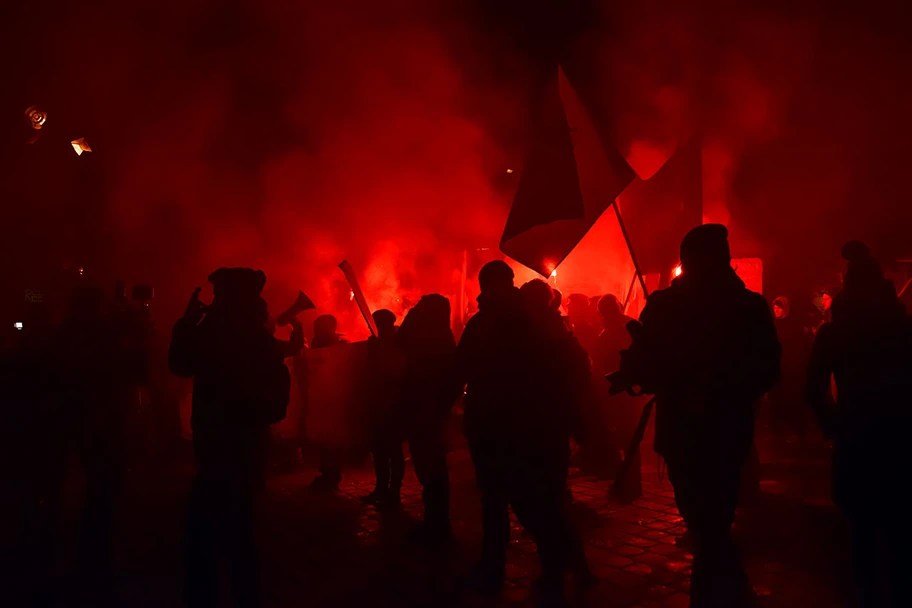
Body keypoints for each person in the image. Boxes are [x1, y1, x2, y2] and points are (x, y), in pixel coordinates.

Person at [616, 225, 780, 606]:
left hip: (713, 427)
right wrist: (639, 371)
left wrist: (716, 384)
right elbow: (646, 363)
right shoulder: (672, 306)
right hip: (703, 429)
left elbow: (767, 368)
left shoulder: (741, 307)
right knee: (706, 516)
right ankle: (728, 584)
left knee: (710, 517)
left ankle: (710, 592)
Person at [457, 262, 590, 601]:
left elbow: (460, 370)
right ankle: (521, 567)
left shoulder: (512, 322)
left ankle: (551, 569)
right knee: (512, 502)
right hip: (511, 425)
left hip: (516, 426)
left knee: (529, 503)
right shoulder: (520, 320)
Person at [169, 268, 291, 608]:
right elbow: (277, 395)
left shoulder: (214, 333)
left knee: (208, 524)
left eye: (219, 294)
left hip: (218, 438)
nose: (215, 300)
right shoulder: (256, 336)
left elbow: (179, 364)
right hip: (246, 440)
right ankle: (242, 590)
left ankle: (210, 591)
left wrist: (187, 322)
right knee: (240, 524)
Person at [806, 241, 912, 608]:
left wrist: (835, 427)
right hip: (901, 439)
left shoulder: (834, 333)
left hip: (857, 440)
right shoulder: (904, 328)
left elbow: (814, 389)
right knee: (901, 535)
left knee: (862, 535)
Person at [397, 295, 461, 544]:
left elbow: (401, 341)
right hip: (430, 412)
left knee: (430, 468)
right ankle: (436, 521)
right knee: (431, 468)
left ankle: (437, 524)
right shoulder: (443, 340)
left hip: (425, 412)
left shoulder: (431, 342)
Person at [591, 294, 637, 496]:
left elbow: (600, 363)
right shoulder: (633, 325)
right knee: (630, 435)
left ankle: (629, 484)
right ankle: (630, 482)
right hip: (634, 388)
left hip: (619, 390)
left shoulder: (608, 334)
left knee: (626, 436)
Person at [362, 309, 406, 508]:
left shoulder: (398, 344)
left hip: (393, 406)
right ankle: (382, 488)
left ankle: (394, 489)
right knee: (380, 451)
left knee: (393, 451)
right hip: (378, 405)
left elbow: (393, 372)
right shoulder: (377, 343)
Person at [307, 314, 348, 491]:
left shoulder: (336, 346)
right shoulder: (323, 344)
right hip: (323, 396)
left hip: (331, 397)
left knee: (329, 438)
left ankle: (331, 473)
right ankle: (329, 471)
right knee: (325, 439)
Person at [768, 296, 811, 441]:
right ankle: (777, 429)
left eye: (779, 308)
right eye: (774, 308)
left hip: (791, 366)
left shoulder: (793, 326)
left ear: (785, 309)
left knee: (792, 397)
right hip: (778, 366)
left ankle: (796, 429)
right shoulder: (774, 325)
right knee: (777, 398)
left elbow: (797, 347)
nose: (776, 311)